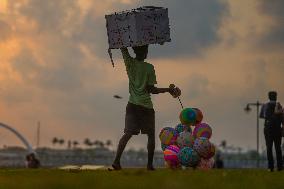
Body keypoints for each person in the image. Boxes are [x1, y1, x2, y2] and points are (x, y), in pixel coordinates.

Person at [110, 45, 181, 171]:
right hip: (146, 107)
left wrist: (123, 37)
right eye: (146, 50)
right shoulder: (149, 67)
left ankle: (116, 162)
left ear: (135, 51)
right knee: (151, 136)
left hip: (132, 105)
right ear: (145, 52)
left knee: (127, 134)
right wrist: (169, 90)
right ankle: (149, 165)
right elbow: (151, 90)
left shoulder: (129, 62)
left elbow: (123, 48)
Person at [260, 91, 283, 171]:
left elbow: (262, 116)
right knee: (278, 148)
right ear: (276, 97)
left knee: (269, 148)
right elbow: (282, 118)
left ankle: (271, 167)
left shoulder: (265, 105)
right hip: (277, 129)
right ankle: (280, 166)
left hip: (268, 129)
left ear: (268, 97)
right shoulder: (279, 106)